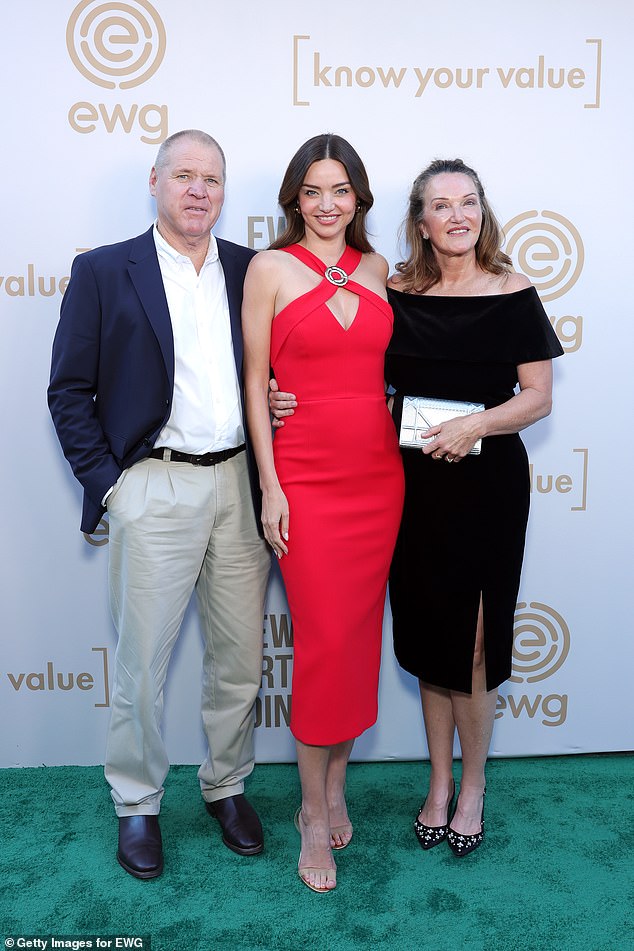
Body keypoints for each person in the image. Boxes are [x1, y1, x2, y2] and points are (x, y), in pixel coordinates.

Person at [270, 157, 563, 858]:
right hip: (408, 486)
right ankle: (437, 784)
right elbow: (352, 363)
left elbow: (538, 396)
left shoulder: (514, 290)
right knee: (432, 638)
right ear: (421, 221)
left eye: (468, 202)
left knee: (473, 643)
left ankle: (473, 788)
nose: (457, 216)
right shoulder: (396, 289)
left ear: (482, 212)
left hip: (488, 488)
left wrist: (474, 425)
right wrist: (286, 398)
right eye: (441, 205)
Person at [48, 129, 271, 880]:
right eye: (185, 175)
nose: (198, 190)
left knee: (240, 656)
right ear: (156, 181)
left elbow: (267, 370)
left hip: (240, 483)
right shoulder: (105, 270)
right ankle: (137, 802)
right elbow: (69, 391)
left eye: (212, 177)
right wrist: (115, 486)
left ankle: (227, 785)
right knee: (143, 663)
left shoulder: (249, 269)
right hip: (156, 483)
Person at [242, 134, 404, 892]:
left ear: (359, 198)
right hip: (303, 478)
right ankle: (311, 810)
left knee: (357, 638)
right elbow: (253, 381)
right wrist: (270, 484)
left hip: (378, 477)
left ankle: (336, 782)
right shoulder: (268, 268)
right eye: (314, 190)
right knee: (322, 643)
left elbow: (392, 367)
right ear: (294, 199)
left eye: (341, 190)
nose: (328, 203)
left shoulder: (380, 270)